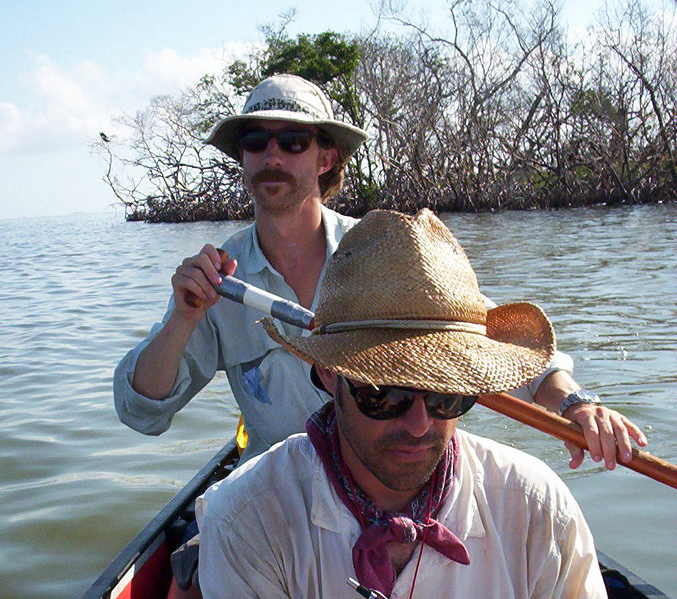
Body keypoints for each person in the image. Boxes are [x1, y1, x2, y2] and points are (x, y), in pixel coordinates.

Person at [114, 73, 645, 469]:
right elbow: (143, 413)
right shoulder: (217, 282)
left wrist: (576, 404)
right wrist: (184, 318)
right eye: (256, 141)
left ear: (326, 158)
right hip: (281, 495)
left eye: (293, 141)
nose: (272, 155)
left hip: (400, 479)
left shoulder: (385, 253)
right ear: (243, 157)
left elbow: (497, 343)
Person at [197, 209, 608, 599]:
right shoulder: (246, 520)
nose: (418, 424)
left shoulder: (536, 510)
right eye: (384, 394)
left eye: (447, 395)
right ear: (327, 374)